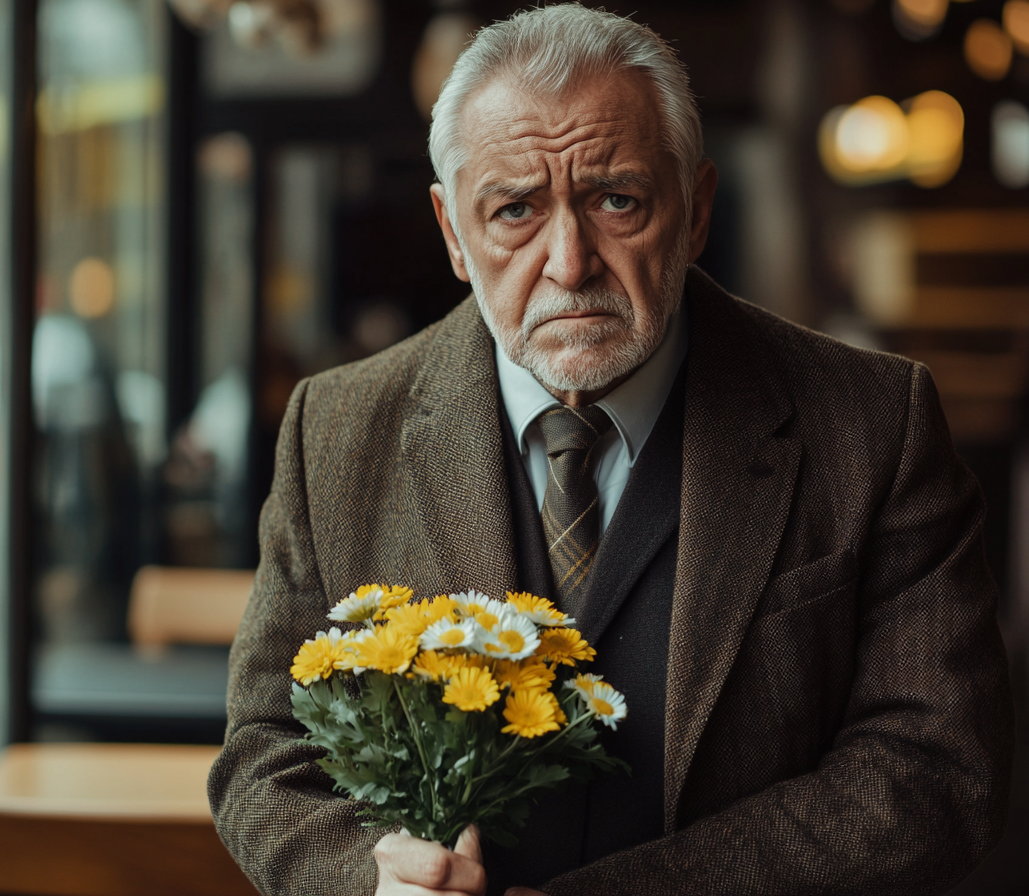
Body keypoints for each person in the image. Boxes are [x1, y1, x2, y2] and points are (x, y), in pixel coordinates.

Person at [206, 5, 1014, 895]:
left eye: (615, 199)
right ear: (452, 236)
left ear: (696, 209)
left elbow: (935, 769)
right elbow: (265, 757)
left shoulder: (874, 424)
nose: (569, 261)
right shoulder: (336, 429)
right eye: (514, 209)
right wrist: (374, 882)